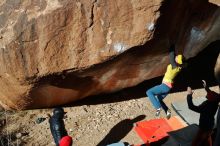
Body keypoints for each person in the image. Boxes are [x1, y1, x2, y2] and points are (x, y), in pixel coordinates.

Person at [146, 44, 184, 118]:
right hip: (168, 88)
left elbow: (171, 56)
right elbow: (174, 57)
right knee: (159, 99)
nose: (176, 56)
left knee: (149, 92)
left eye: (177, 57)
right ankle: (167, 111)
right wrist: (173, 49)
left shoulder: (174, 66)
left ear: (177, 60)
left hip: (164, 86)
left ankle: (158, 108)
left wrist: (172, 46)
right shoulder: (179, 67)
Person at [187, 80, 219, 146]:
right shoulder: (215, 102)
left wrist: (189, 95)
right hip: (210, 124)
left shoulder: (206, 106)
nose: (208, 93)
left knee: (197, 140)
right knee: (208, 137)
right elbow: (212, 94)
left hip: (204, 126)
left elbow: (191, 106)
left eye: (209, 94)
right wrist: (206, 87)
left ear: (210, 98)